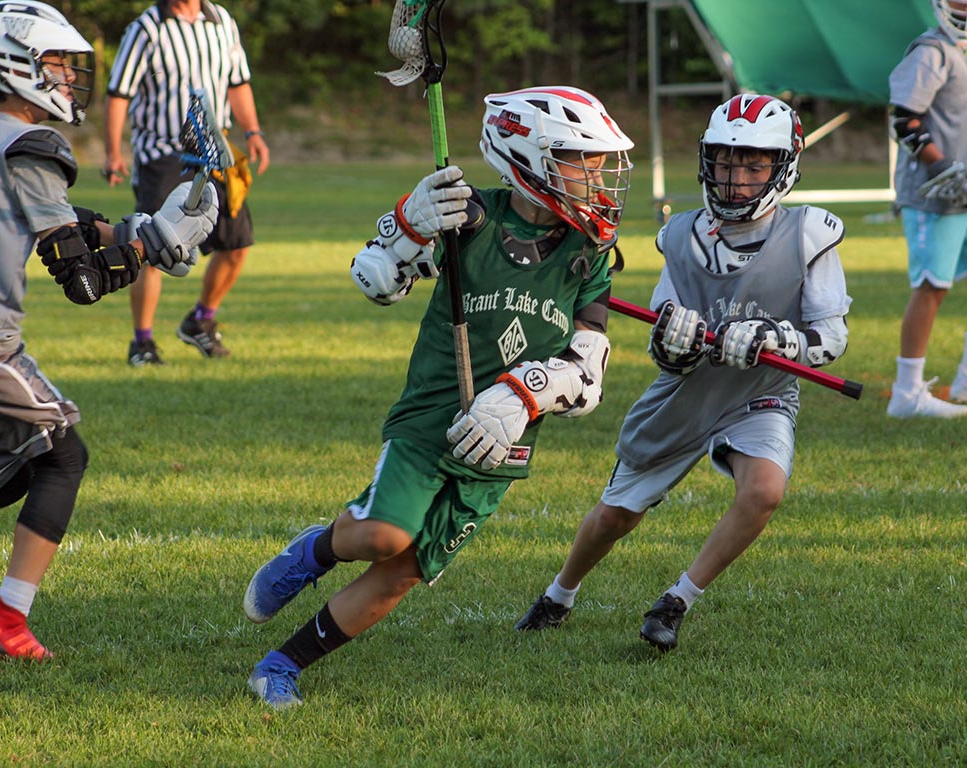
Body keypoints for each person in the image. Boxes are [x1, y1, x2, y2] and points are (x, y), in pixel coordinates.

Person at [240, 86, 633, 708]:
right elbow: (376, 281)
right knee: (382, 537)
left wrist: (525, 392)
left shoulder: (591, 253)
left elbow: (589, 372)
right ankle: (314, 550)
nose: (594, 178)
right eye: (578, 160)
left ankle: (281, 665)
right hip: (433, 414)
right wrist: (407, 227)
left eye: (595, 164)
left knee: (403, 572)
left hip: (504, 439)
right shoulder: (469, 214)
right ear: (527, 156)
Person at [515, 94, 852, 653]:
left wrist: (780, 338)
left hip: (759, 394)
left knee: (764, 490)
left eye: (753, 164)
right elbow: (664, 341)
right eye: (726, 161)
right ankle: (559, 593)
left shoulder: (809, 234)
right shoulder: (681, 236)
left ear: (783, 167)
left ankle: (676, 600)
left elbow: (831, 336)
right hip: (686, 396)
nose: (737, 178)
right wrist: (676, 346)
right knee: (615, 517)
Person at [0, 0, 217, 660]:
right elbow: (82, 281)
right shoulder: (31, 145)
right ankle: (7, 622)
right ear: (15, 66)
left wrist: (133, 229)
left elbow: (49, 212)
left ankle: (7, 620)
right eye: (56, 63)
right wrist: (153, 249)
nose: (67, 76)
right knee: (63, 454)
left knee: (0, 469)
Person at [103, 0, 270, 365]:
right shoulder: (147, 27)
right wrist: (113, 150)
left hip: (215, 149)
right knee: (151, 244)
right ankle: (142, 342)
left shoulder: (222, 20)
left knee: (237, 243)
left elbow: (238, 83)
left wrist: (253, 131)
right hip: (163, 153)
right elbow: (119, 94)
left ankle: (200, 320)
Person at [886, 0, 967, 418]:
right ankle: (907, 393)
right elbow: (905, 119)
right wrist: (943, 165)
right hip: (934, 194)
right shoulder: (932, 51)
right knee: (932, 287)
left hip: (966, 196)